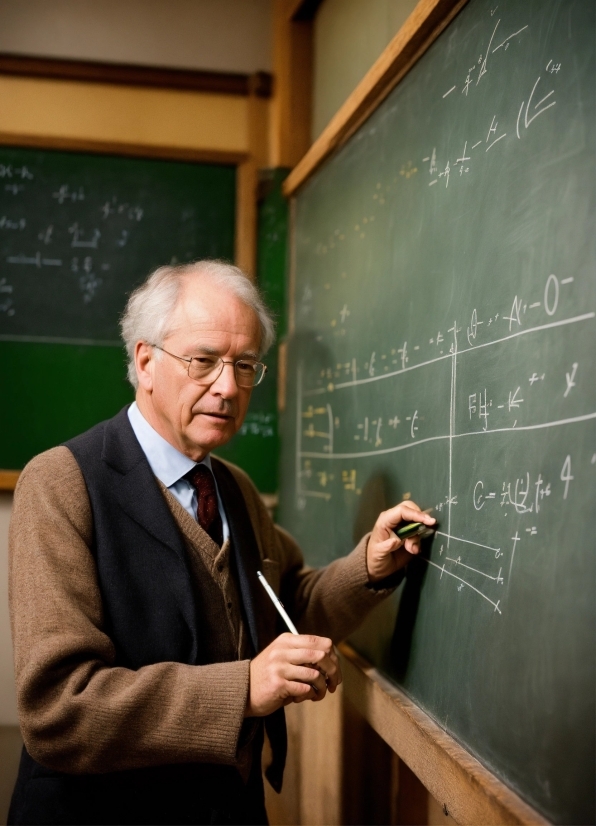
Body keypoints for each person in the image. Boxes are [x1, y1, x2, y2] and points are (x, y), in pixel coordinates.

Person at [8, 260, 435, 825]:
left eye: (244, 365)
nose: (228, 387)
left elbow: (286, 608)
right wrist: (243, 689)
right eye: (204, 361)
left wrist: (370, 566)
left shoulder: (232, 487)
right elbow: (58, 708)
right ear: (145, 362)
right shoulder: (62, 484)